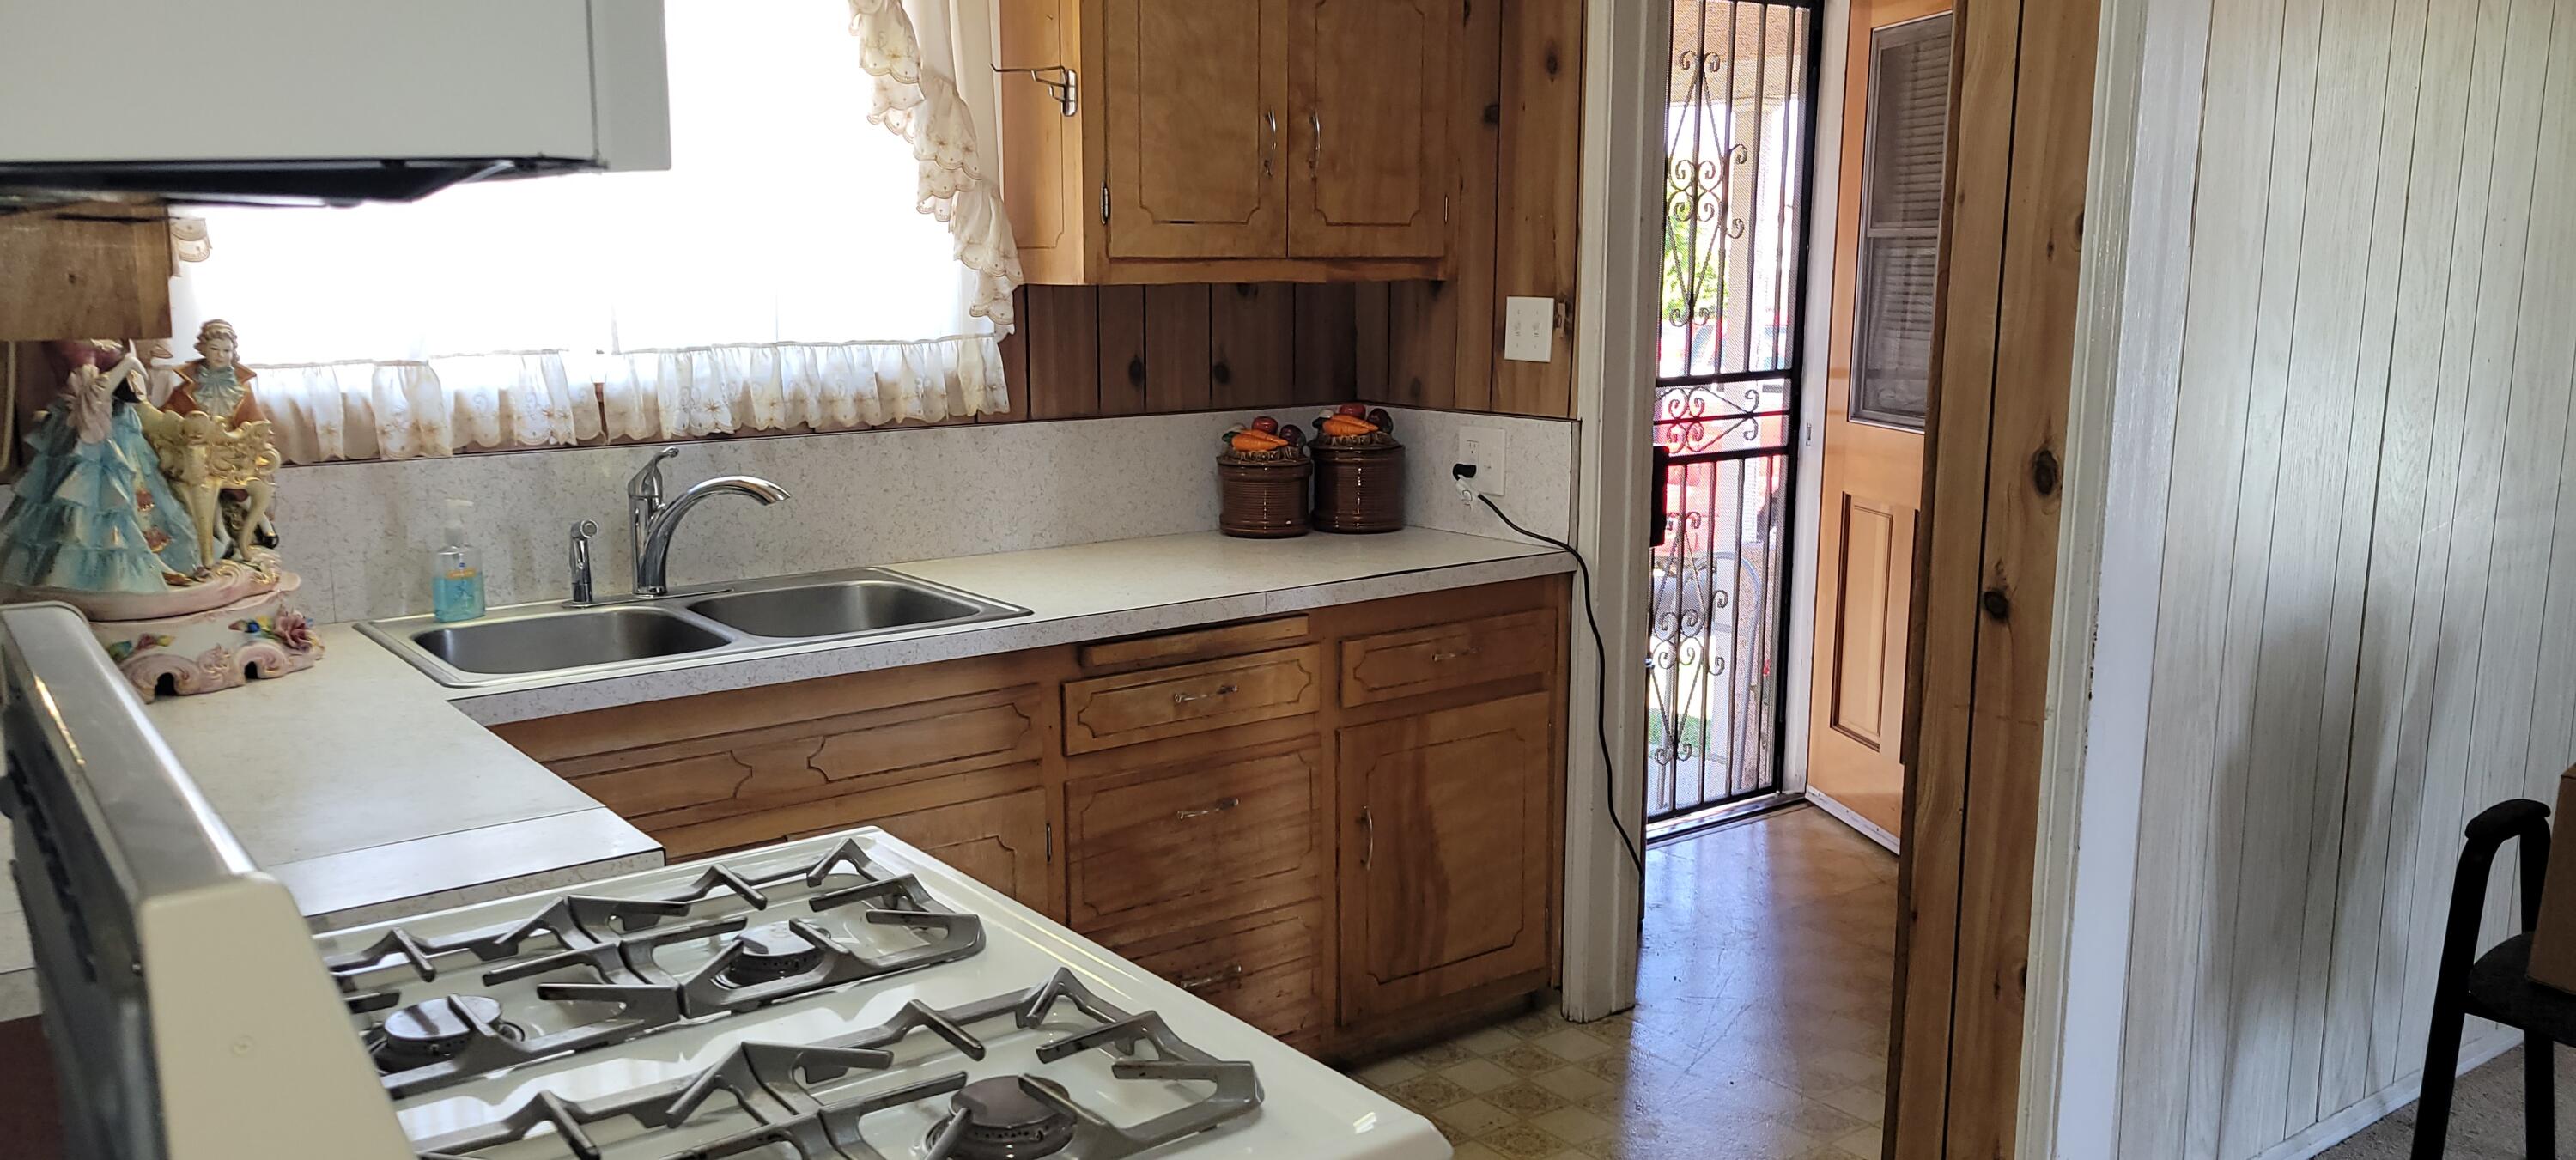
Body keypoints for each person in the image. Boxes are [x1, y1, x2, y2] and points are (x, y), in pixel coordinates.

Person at [0, 342, 205, 592]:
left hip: (118, 427)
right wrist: (129, 363)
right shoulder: (76, 346)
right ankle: (85, 576)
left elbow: (132, 390)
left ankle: (148, 561)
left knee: (132, 498)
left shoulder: (107, 339)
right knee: (93, 501)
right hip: (95, 436)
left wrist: (130, 368)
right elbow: (95, 395)